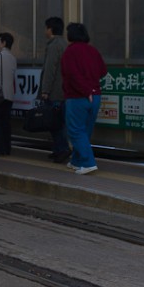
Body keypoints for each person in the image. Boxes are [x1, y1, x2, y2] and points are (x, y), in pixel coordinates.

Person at [60, 23, 107, 175]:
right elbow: (103, 71)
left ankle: (88, 163)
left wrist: (86, 90)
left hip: (78, 96)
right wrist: (91, 87)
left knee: (75, 130)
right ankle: (76, 161)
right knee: (85, 131)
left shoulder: (70, 52)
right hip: (96, 95)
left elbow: (71, 75)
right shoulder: (93, 50)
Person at [39, 16, 71, 163]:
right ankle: (58, 149)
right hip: (64, 90)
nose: (45, 31)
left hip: (55, 91)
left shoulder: (53, 46)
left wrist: (45, 90)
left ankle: (62, 149)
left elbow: (49, 69)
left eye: (46, 28)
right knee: (60, 122)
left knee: (55, 123)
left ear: (50, 29)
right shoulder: (65, 44)